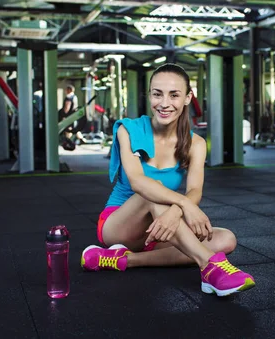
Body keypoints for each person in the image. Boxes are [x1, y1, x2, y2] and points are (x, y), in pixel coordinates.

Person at [80, 63, 255, 297]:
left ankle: (125, 260)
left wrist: (175, 212)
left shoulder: (196, 144)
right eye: (157, 94)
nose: (164, 103)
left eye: (174, 95)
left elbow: (194, 190)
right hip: (120, 224)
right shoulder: (129, 130)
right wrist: (181, 206)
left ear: (187, 98)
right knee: (153, 190)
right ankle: (208, 267)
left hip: (161, 226)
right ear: (149, 95)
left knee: (225, 239)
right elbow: (138, 183)